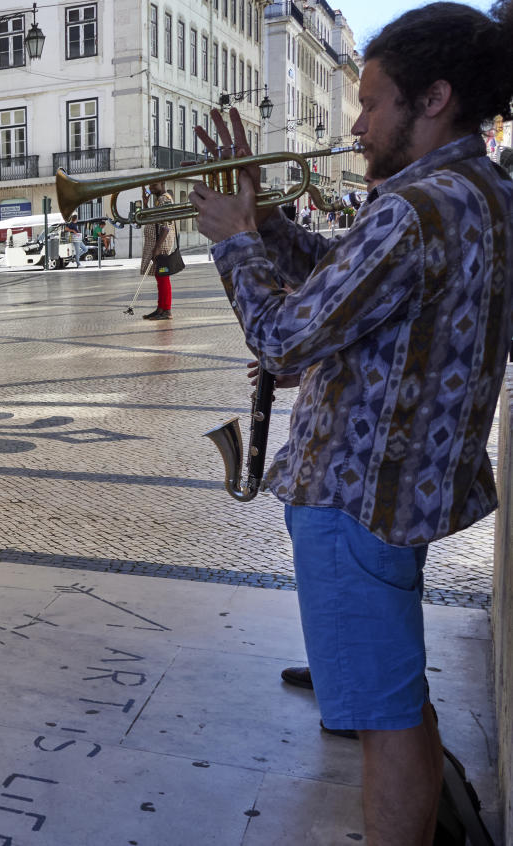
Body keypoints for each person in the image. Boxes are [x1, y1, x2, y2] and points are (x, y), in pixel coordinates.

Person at [189, 3, 513, 841]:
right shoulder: (481, 191)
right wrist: (264, 221)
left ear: (433, 98)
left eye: (372, 103)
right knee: (397, 694)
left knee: (384, 719)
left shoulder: (415, 208)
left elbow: (287, 337)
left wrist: (230, 240)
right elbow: (351, 282)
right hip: (405, 493)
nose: (358, 123)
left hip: (353, 497)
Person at [139, 182, 177, 320]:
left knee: (163, 277)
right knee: (159, 277)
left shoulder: (164, 199)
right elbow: (152, 220)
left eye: (154, 185)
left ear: (162, 183)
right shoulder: (159, 200)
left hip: (161, 244)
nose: (151, 187)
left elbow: (166, 226)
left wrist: (157, 248)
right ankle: (160, 308)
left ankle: (166, 310)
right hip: (158, 244)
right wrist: (145, 204)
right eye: (150, 185)